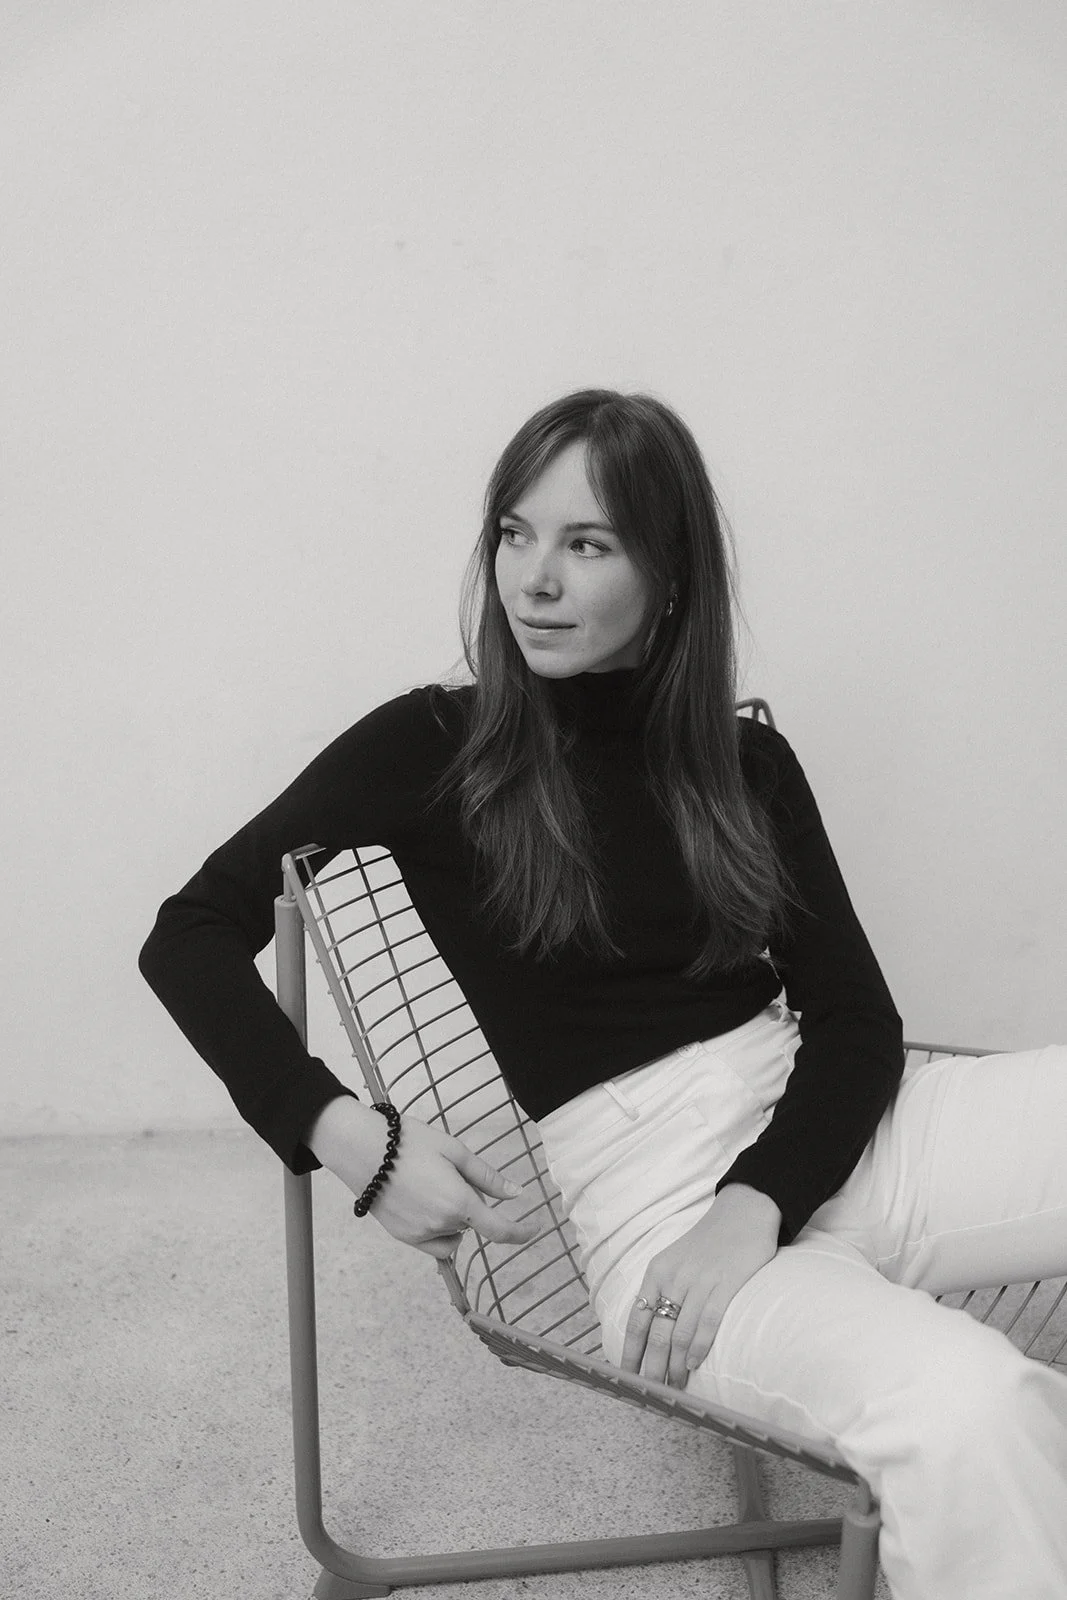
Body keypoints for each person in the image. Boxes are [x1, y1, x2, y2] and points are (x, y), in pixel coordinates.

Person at [139, 388, 1067, 1600]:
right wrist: (351, 1139)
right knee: (969, 1404)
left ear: (667, 573)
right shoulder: (431, 746)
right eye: (514, 534)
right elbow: (189, 933)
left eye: (586, 543)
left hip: (827, 1131)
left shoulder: (740, 761)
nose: (534, 579)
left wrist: (758, 1201)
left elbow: (854, 1024)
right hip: (654, 1203)